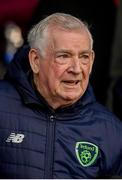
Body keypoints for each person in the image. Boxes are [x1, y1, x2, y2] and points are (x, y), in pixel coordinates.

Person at [0, 13, 122, 179]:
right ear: (35, 60)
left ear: (92, 60)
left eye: (84, 57)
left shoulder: (111, 130)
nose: (77, 69)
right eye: (64, 56)